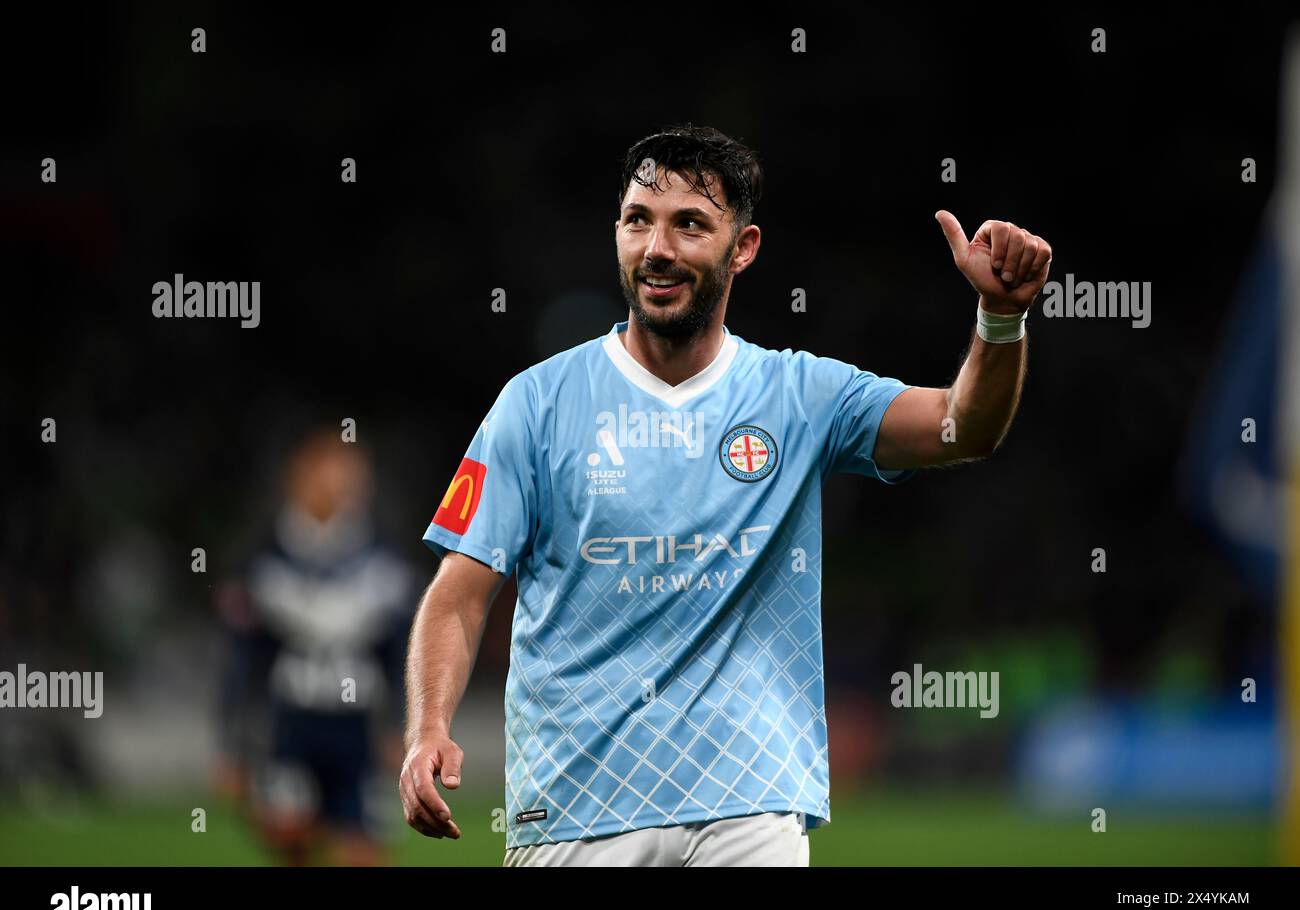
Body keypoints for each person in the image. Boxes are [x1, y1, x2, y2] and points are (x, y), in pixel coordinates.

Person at [399, 123, 1051, 866]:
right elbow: (459, 590)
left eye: (690, 225)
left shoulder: (800, 395)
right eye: (638, 221)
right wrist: (427, 728)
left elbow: (960, 427)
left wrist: (1001, 319)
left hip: (750, 799)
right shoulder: (536, 405)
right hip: (579, 802)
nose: (658, 250)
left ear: (743, 248)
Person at [216, 429, 413, 865]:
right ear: (300, 476)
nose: (349, 486)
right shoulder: (264, 554)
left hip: (356, 725)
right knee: (289, 836)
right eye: (336, 473)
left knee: (365, 847)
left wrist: (402, 725)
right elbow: (242, 656)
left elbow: (400, 646)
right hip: (291, 724)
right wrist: (232, 747)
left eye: (356, 475)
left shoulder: (382, 552)